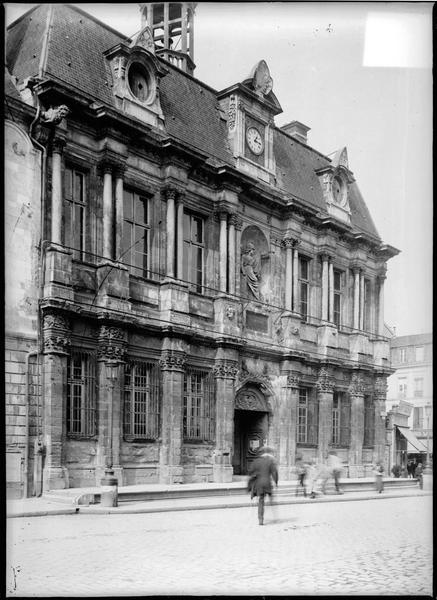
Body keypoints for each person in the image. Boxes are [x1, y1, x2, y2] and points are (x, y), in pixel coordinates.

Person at [247, 446, 278, 525]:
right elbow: (274, 473)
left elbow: (250, 472)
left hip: (259, 484)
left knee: (261, 501)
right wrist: (276, 482)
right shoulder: (270, 461)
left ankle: (260, 519)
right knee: (271, 499)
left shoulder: (256, 461)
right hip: (267, 483)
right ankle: (275, 516)